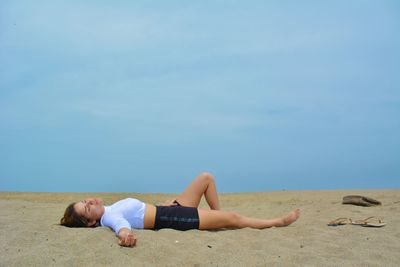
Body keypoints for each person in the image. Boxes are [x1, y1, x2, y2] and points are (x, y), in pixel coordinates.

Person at [60, 172, 300, 247]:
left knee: (206, 178)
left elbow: (138, 213)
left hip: (170, 208)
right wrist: (126, 237)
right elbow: (121, 227)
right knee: (235, 219)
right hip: (173, 218)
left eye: (86, 201)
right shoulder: (111, 217)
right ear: (91, 223)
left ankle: (219, 216)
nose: (90, 202)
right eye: (87, 209)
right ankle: (277, 221)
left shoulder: (110, 208)